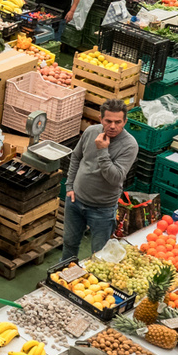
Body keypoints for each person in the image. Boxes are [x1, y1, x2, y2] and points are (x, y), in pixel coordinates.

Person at [59, 99, 139, 265]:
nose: (112, 126)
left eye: (118, 122)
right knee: (69, 243)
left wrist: (103, 151)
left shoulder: (129, 145)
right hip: (75, 201)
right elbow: (76, 156)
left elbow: (115, 177)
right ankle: (62, 273)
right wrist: (69, 186)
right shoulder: (90, 132)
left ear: (125, 121)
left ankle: (94, 286)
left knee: (100, 254)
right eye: (108, 121)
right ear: (100, 119)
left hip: (102, 209)